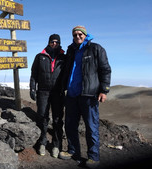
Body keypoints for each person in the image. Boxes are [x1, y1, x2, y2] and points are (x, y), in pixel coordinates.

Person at [59, 26, 111, 168]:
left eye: (80, 34)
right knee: (70, 125)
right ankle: (72, 151)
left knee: (91, 126)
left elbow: (105, 69)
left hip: (89, 94)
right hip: (71, 94)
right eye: (75, 34)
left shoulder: (95, 48)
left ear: (85, 35)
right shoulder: (71, 50)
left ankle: (93, 157)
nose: (77, 36)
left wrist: (104, 90)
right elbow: (66, 70)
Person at [29, 34, 66, 158]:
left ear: (59, 43)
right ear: (49, 42)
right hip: (43, 92)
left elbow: (67, 75)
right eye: (52, 41)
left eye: (56, 42)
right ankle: (42, 142)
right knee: (42, 118)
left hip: (58, 93)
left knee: (57, 119)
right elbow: (34, 74)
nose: (54, 43)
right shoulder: (40, 57)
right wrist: (33, 88)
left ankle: (56, 145)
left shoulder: (64, 57)